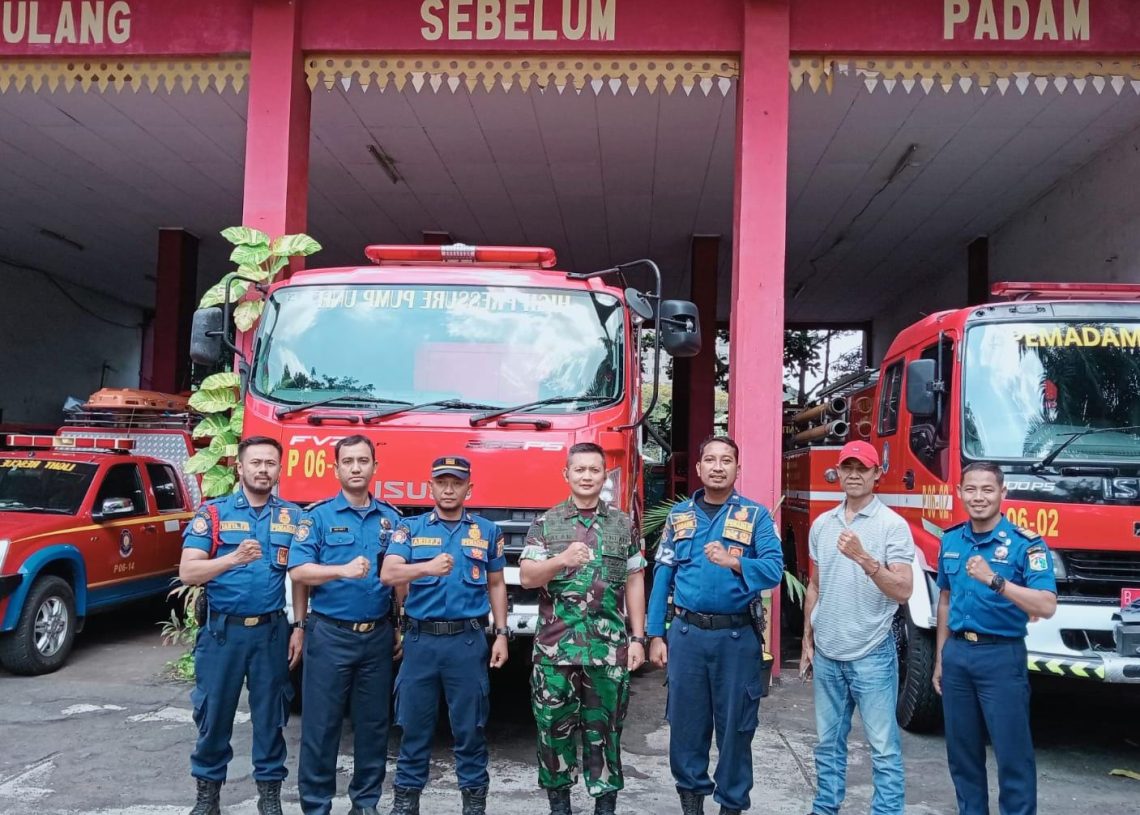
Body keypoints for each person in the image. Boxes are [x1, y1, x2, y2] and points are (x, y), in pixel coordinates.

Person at [647, 435, 784, 815]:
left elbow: (774, 569)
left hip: (736, 639)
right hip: (687, 638)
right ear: (699, 468)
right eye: (710, 459)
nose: (718, 466)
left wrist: (736, 562)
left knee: (736, 730)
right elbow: (662, 576)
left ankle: (731, 806)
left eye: (727, 460)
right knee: (686, 727)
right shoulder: (679, 517)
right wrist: (655, 634)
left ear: (738, 469)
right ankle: (691, 805)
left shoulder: (755, 517)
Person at [519, 442, 648, 815]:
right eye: (580, 470)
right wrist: (561, 559)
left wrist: (637, 637)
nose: (587, 476)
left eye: (594, 470)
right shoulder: (546, 522)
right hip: (555, 653)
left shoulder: (623, 523)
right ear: (567, 474)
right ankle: (560, 807)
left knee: (605, 734)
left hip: (607, 651)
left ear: (604, 475)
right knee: (552, 733)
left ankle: (604, 807)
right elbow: (527, 577)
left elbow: (635, 578)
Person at [179, 436, 304, 815]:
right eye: (256, 463)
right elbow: (189, 571)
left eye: (270, 463)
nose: (263, 469)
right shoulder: (213, 514)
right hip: (222, 634)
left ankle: (269, 799)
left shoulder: (293, 517)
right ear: (240, 467)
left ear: (279, 469)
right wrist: (232, 559)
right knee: (214, 716)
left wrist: (299, 625)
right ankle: (207, 799)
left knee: (271, 718)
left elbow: (299, 576)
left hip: (271, 633)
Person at [380, 456, 511, 815]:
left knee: (470, 730)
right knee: (413, 729)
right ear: (431, 487)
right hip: (421, 643)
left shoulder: (487, 531)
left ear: (470, 487)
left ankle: (474, 805)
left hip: (466, 643)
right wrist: (426, 567)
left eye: (456, 482)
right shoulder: (410, 528)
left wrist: (500, 633)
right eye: (442, 482)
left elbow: (496, 584)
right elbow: (389, 574)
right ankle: (405, 805)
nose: (449, 489)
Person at [934, 462, 1057, 815]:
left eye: (987, 490)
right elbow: (945, 599)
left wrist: (996, 581)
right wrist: (942, 657)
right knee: (962, 757)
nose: (978, 497)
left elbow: (1046, 605)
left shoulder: (1025, 545)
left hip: (1001, 658)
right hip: (957, 655)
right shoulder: (951, 539)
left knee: (1012, 757)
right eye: (970, 489)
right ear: (959, 493)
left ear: (1003, 494)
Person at [288, 435, 403, 815]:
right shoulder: (316, 517)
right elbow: (299, 570)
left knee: (373, 728)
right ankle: (317, 806)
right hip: (330, 635)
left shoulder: (392, 518)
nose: (356, 468)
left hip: (377, 637)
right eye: (348, 461)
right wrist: (342, 570)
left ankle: (365, 805)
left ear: (375, 467)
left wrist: (400, 624)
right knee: (321, 728)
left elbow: (400, 578)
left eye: (363, 461)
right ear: (336, 469)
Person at [800, 441, 914, 815]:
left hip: (872, 653)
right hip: (829, 654)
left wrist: (865, 558)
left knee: (883, 748)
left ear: (876, 474)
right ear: (837, 472)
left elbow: (903, 590)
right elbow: (815, 585)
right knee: (827, 744)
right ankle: (824, 809)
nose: (854, 474)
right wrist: (807, 641)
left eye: (862, 468)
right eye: (847, 467)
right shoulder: (822, 524)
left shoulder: (893, 526)